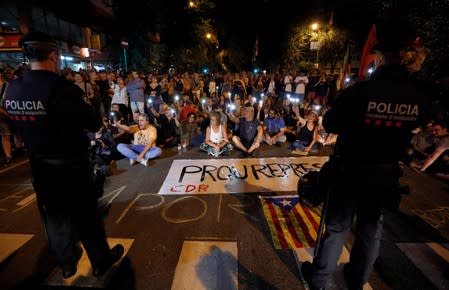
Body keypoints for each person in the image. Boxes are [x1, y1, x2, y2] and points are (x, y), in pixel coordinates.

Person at [300, 19, 431, 290]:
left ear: (382, 56)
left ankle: (320, 279)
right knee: (370, 232)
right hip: (384, 173)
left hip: (350, 171)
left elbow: (331, 124)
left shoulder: (362, 91)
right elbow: (420, 122)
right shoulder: (418, 95)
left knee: (337, 229)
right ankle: (357, 280)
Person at [3, 31, 124, 279]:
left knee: (55, 217)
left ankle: (66, 263)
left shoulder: (13, 89)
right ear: (53, 56)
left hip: (39, 164)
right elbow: (91, 122)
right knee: (86, 215)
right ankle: (100, 261)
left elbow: (14, 127)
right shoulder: (61, 88)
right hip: (71, 164)